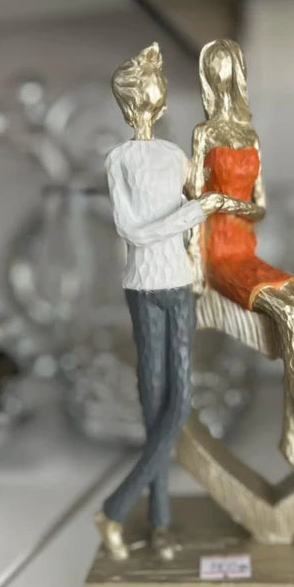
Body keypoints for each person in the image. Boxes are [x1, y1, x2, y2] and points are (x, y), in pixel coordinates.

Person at [94, 42, 226, 560]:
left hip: (179, 285)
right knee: (155, 405)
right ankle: (161, 521)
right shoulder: (119, 159)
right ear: (131, 108)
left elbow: (203, 196)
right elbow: (131, 230)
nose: (149, 106)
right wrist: (195, 212)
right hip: (143, 288)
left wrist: (207, 195)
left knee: (179, 402)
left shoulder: (176, 156)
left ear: (161, 105)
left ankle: (114, 508)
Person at [186, 39, 294, 481]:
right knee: (289, 315)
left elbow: (260, 205)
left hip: (246, 248)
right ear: (210, 74)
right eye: (218, 66)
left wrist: (230, 204)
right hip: (220, 256)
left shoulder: (249, 135)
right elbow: (195, 202)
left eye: (230, 66)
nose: (224, 74)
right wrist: (195, 269)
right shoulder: (204, 135)